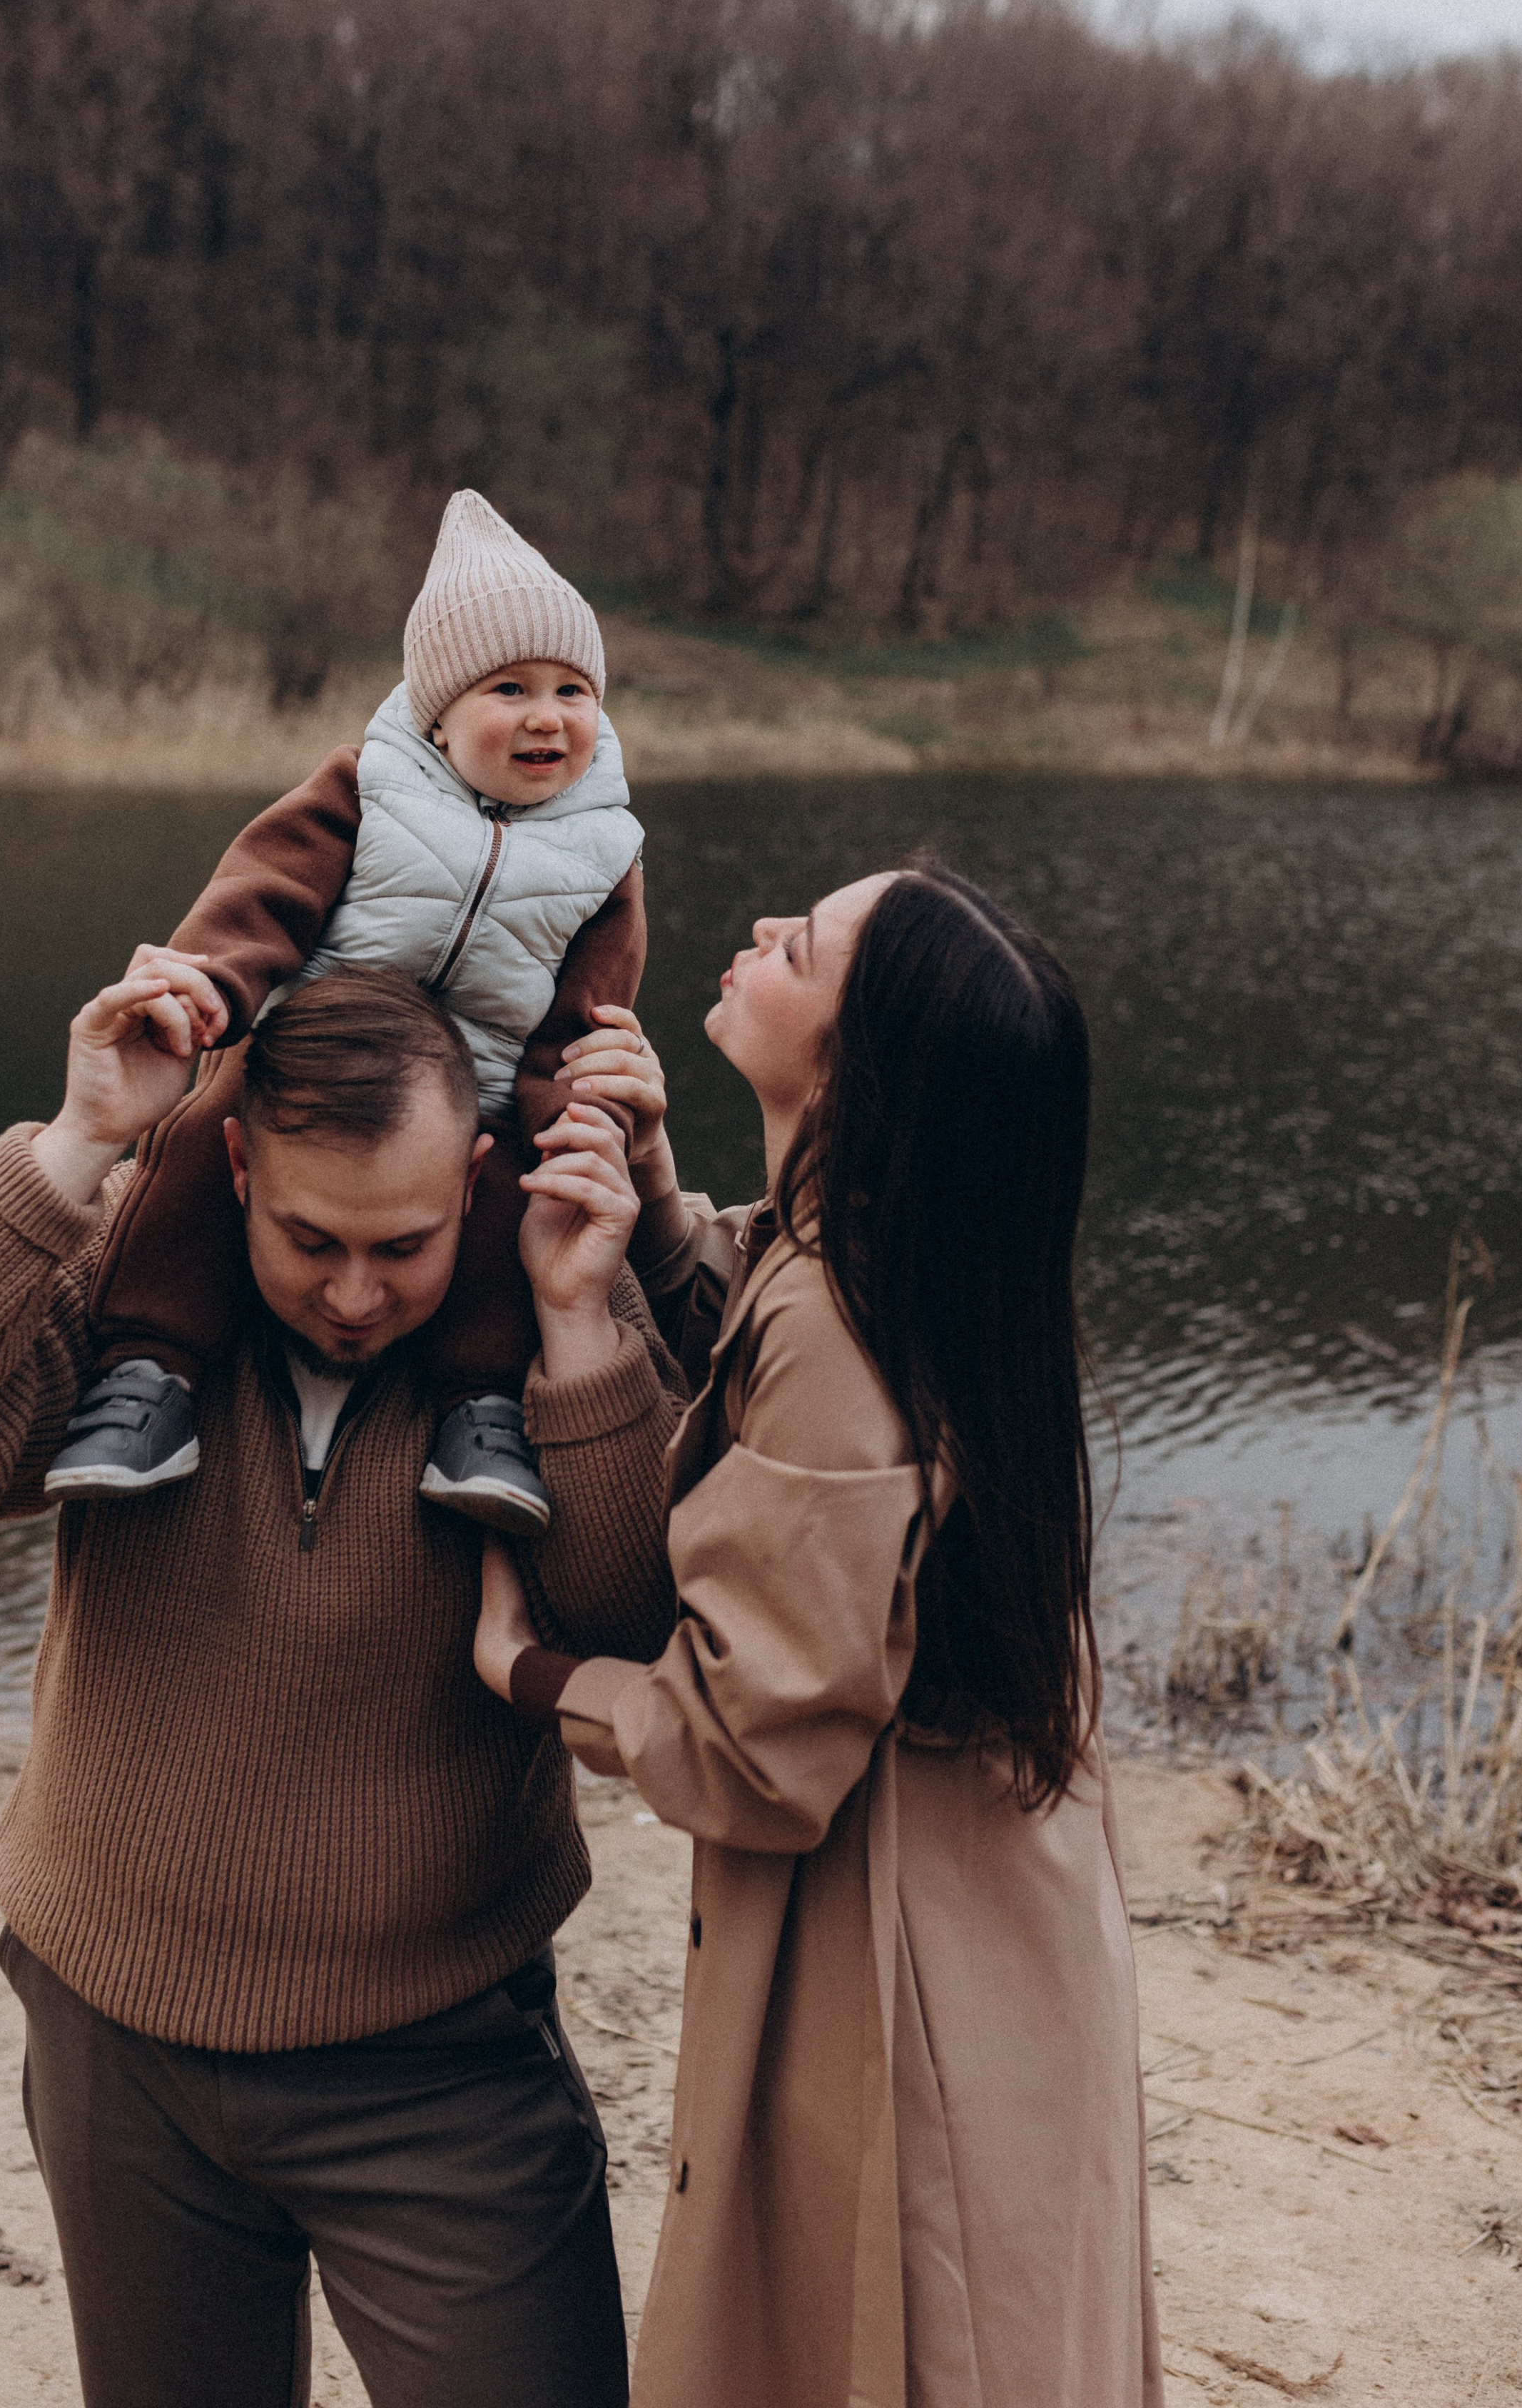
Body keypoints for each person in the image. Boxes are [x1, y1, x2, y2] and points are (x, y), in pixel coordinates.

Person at [0, 957, 683, 2408]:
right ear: (239, 1163)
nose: (356, 1294)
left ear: (480, 1181)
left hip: (443, 2068)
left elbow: (632, 1622)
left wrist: (576, 1325)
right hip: (115, 2050)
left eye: (408, 1243)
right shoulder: (125, 1319)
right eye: (313, 1239)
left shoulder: (551, 1342)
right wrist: (81, 1145)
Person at [476, 861, 1167, 2408]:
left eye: (793, 948)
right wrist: (655, 1206)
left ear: (857, 1074)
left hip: (897, 1945)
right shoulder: (905, 1258)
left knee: (890, 2325)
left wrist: (533, 1676)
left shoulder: (839, 1326)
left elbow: (748, 1753)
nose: (750, 939)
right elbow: (757, 1309)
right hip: (1000, 1914)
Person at [44, 484, 644, 1541]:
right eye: (510, 687)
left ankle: (481, 1411)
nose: (548, 716)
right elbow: (263, 894)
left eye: (574, 690)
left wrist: (572, 1111)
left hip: (488, 1083)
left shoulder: (607, 846)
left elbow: (588, 1003)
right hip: (306, 1052)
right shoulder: (372, 784)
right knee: (194, 1145)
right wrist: (213, 991)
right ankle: (149, 1376)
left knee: (507, 1200)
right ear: (439, 714)